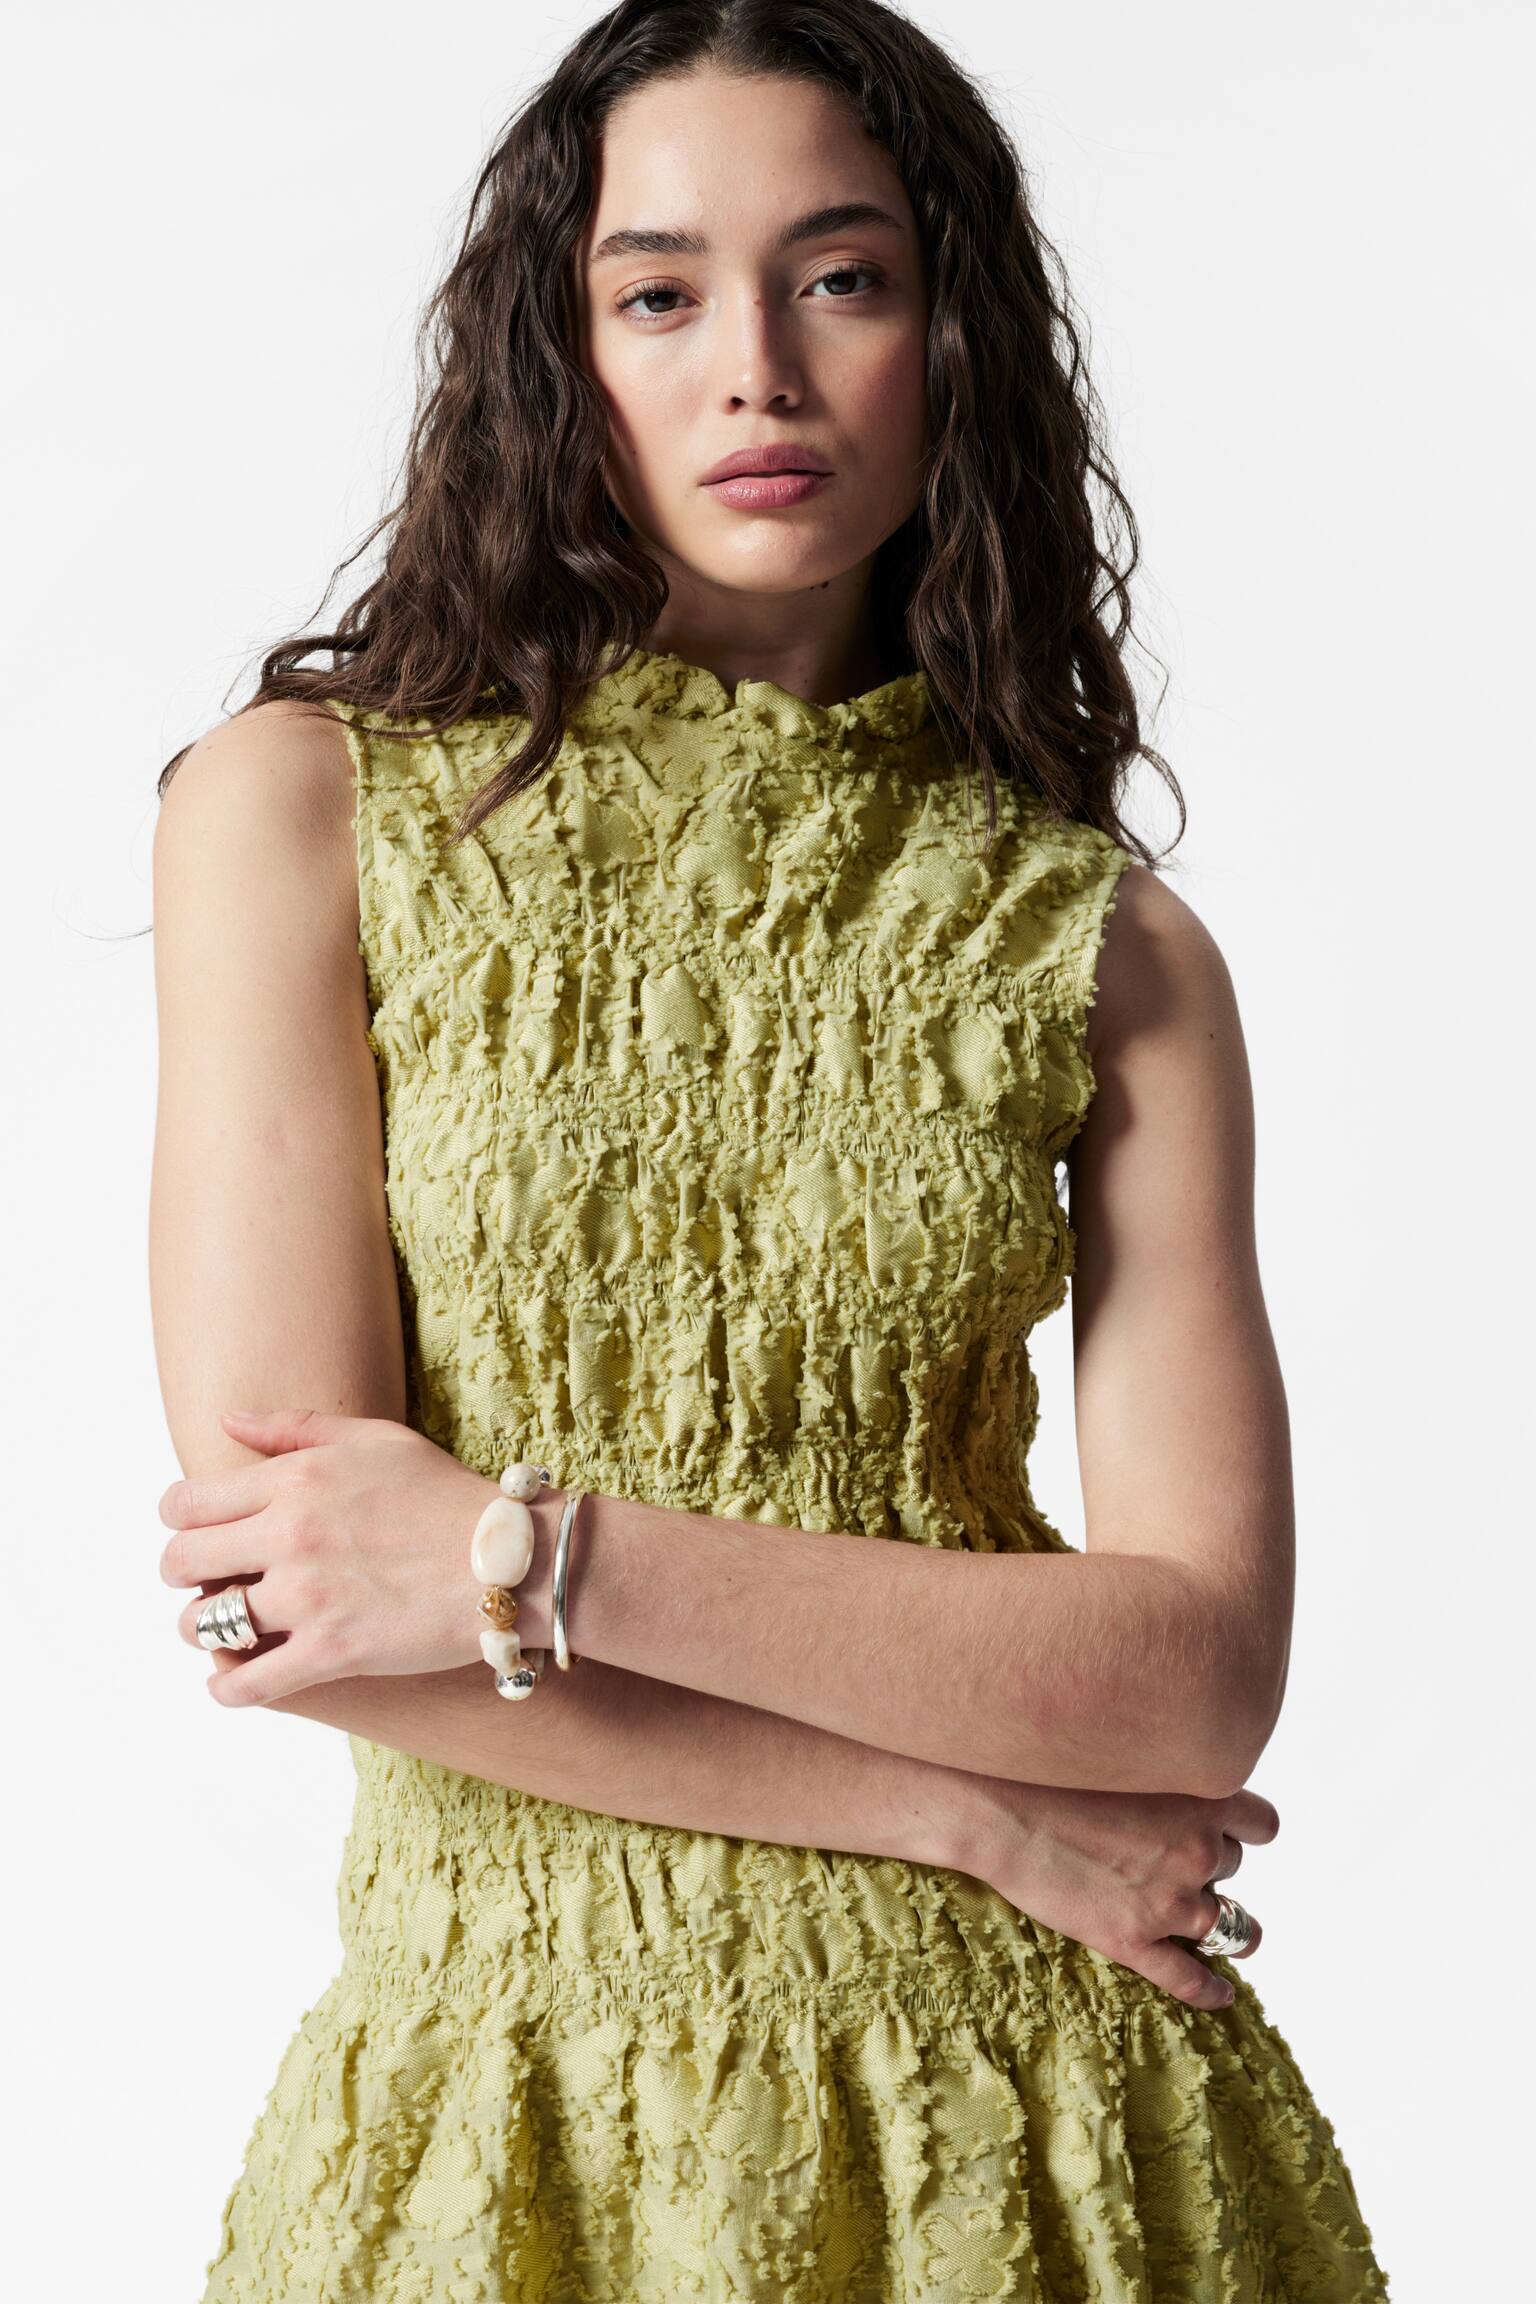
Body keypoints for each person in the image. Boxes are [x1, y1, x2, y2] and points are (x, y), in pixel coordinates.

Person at [149, 3, 1390, 2296]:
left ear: (953, 335)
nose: (758, 371)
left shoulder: (1105, 947)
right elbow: (301, 1601)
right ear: (559, 357)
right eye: (658, 293)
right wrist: (975, 1811)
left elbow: (1194, 1673)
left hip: (1042, 2104)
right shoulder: (307, 810)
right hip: (517, 2087)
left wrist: (524, 1552)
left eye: (842, 277)